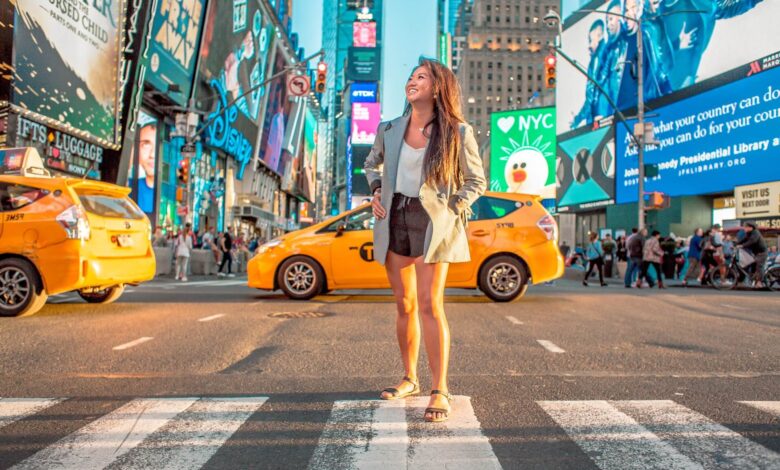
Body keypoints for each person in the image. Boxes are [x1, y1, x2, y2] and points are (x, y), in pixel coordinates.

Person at [364, 58, 486, 423]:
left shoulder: (458, 132)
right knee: (404, 305)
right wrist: (375, 189)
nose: (412, 81)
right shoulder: (390, 128)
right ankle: (409, 378)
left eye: (421, 77)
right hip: (395, 216)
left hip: (433, 221)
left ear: (437, 88)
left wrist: (453, 208)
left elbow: (476, 181)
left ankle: (440, 388)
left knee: (431, 305)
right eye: (411, 76)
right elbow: (372, 163)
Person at [737, 222, 767, 288]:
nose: (744, 228)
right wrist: (736, 244)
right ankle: (747, 280)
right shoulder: (748, 233)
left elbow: (752, 241)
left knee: (759, 267)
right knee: (748, 264)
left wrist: (742, 245)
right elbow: (744, 240)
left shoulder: (756, 233)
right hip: (755, 253)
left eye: (745, 227)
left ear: (751, 227)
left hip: (761, 253)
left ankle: (759, 282)